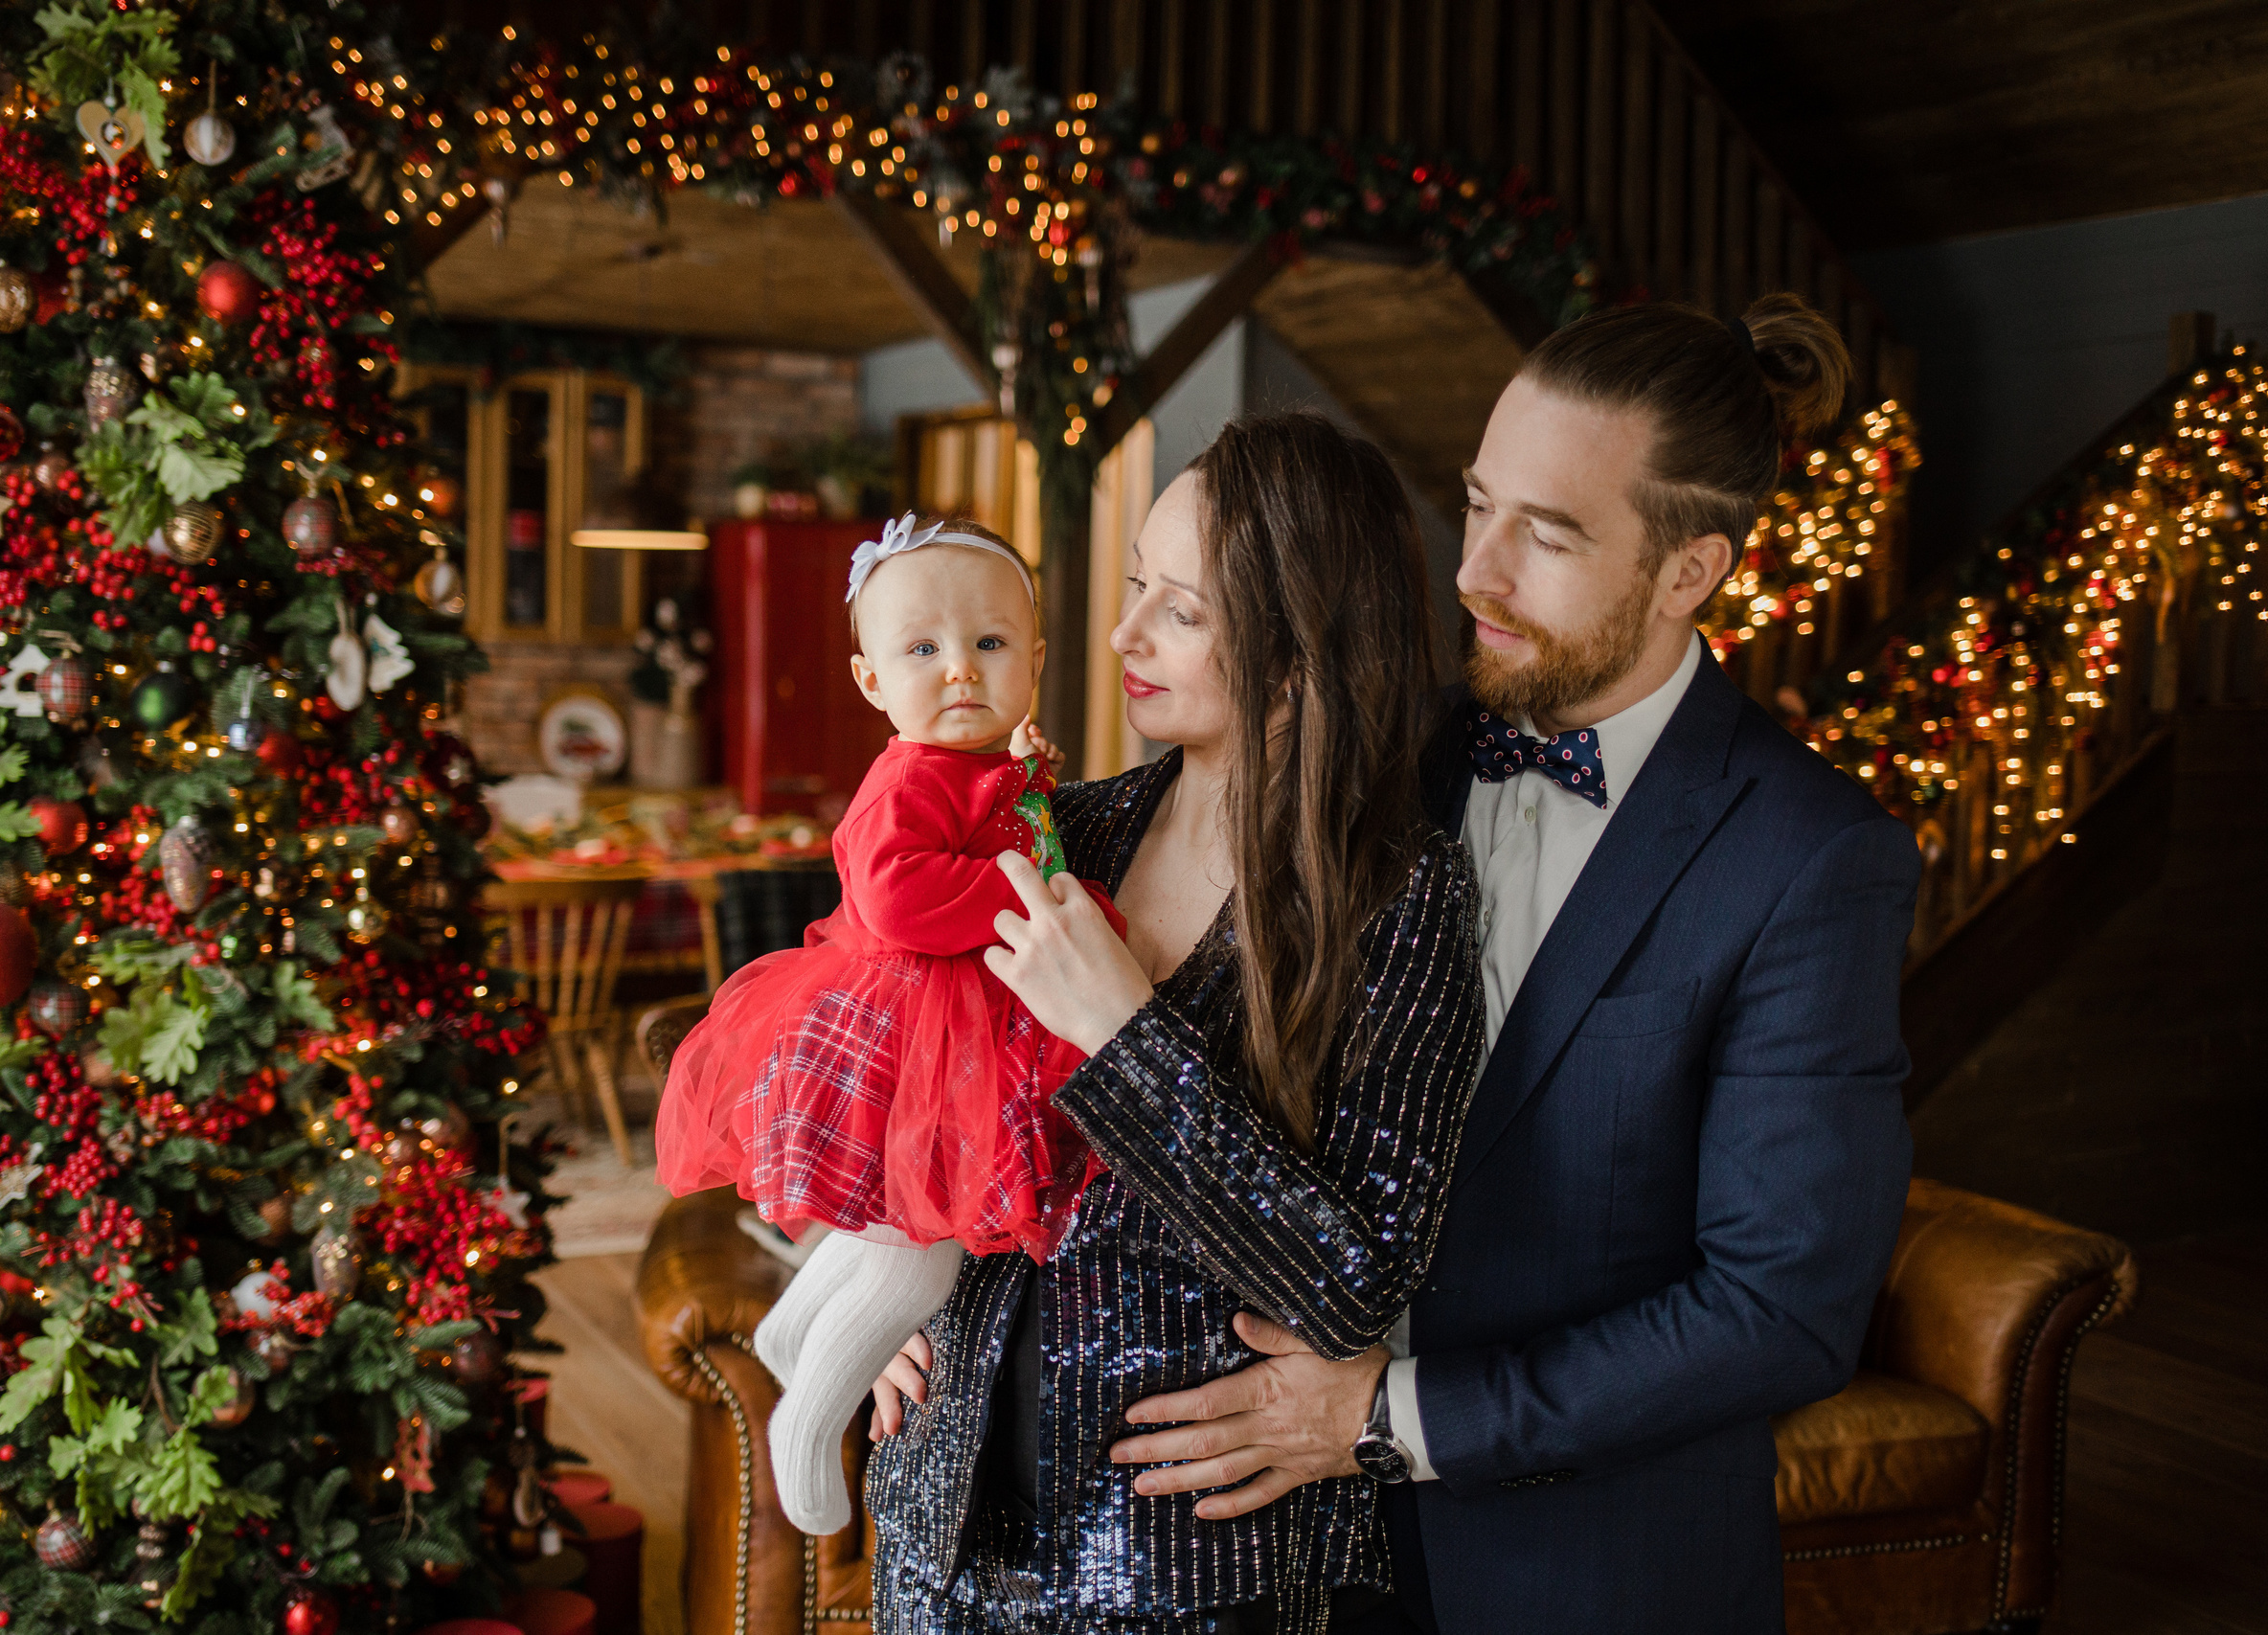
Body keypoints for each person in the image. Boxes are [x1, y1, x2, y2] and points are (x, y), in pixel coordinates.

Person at [1098, 295, 1923, 1632]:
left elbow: (1778, 1308)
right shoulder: (1358, 754)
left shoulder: (1813, 859)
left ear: (1687, 570)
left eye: (1545, 534)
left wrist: (1384, 1414)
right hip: (1281, 1559)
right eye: (1479, 503)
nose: (1475, 570)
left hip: (1585, 1571)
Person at [863, 413, 1487, 1634]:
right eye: (1137, 583)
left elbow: (1355, 1283)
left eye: (1181, 610)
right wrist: (876, 1281)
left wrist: (1126, 1034)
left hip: (1188, 1574)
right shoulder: (1059, 832)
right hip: (943, 1526)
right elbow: (883, 1067)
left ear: (1300, 656)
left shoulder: (1400, 900)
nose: (1120, 633)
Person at [655, 514, 1123, 1535]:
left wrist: (1032, 785)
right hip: (902, 1036)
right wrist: (1036, 896)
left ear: (1035, 661)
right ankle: (806, 1419)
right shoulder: (908, 777)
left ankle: (788, 1337)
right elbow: (901, 894)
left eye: (990, 645)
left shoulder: (987, 763)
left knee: (885, 1224)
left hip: (947, 1036)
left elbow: (1011, 822)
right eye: (923, 651)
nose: (960, 671)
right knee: (918, 1246)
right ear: (873, 681)